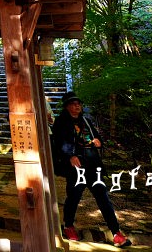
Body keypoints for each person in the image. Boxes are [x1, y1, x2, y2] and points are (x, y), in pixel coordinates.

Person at [51, 92, 132, 247]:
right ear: (67, 106)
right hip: (76, 167)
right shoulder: (61, 122)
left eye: (79, 103)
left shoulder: (86, 121)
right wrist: (70, 156)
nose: (77, 106)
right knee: (74, 197)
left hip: (93, 165)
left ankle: (116, 233)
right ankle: (68, 226)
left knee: (103, 198)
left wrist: (97, 142)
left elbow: (99, 140)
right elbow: (59, 143)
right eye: (74, 104)